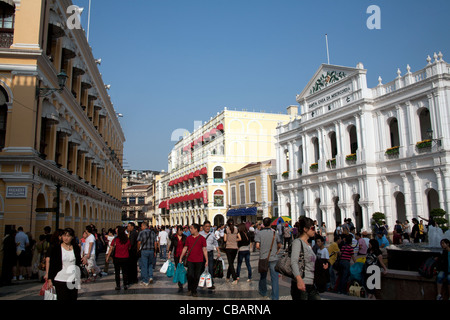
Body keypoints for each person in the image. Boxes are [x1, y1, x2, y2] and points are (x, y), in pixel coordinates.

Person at [290, 216, 325, 300]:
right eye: (312, 228)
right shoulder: (297, 242)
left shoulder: (308, 244)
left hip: (311, 283)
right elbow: (293, 262)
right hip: (302, 283)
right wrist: (299, 279)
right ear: (305, 229)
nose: (314, 230)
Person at [47, 228, 82, 300]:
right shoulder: (56, 248)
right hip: (60, 278)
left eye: (68, 236)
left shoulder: (76, 248)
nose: (66, 238)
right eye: (64, 235)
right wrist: (50, 279)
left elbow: (78, 262)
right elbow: (52, 264)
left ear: (72, 237)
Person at [179, 224, 208, 297]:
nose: (190, 230)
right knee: (190, 275)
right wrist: (181, 257)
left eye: (191, 228)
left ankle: (194, 290)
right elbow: (185, 248)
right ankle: (190, 288)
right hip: (190, 260)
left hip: (199, 260)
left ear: (196, 229)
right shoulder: (188, 238)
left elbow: (204, 249)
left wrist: (207, 260)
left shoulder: (202, 239)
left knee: (197, 276)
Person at [255, 217, 281, 300]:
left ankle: (263, 292)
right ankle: (275, 296)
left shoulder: (259, 233)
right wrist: (276, 250)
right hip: (273, 258)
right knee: (275, 278)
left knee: (263, 276)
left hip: (263, 258)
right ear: (270, 224)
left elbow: (257, 246)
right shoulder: (274, 233)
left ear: (263, 223)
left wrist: (263, 249)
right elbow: (279, 244)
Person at [106, 226, 131, 290]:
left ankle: (118, 285)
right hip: (125, 257)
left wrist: (108, 256)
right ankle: (125, 284)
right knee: (125, 272)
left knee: (117, 272)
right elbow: (129, 248)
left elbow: (111, 248)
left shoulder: (115, 240)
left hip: (117, 258)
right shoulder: (127, 240)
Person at [199, 220, 220, 290]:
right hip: (201, 253)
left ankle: (210, 283)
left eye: (209, 226)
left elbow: (216, 243)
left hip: (210, 253)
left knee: (211, 268)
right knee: (201, 268)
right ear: (203, 227)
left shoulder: (212, 234)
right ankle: (201, 283)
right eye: (206, 226)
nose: (208, 228)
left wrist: (218, 252)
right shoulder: (200, 234)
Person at [137, 221, 158, 286]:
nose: (141, 227)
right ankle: (151, 277)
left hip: (144, 250)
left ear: (144, 226)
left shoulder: (141, 233)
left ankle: (145, 280)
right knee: (150, 264)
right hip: (151, 250)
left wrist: (138, 249)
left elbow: (139, 242)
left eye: (141, 226)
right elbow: (155, 243)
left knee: (144, 265)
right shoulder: (153, 233)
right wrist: (155, 251)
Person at [168, 225, 187, 292]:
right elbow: (172, 246)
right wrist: (169, 253)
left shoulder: (185, 237)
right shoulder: (174, 237)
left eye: (181, 230)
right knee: (178, 269)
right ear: (177, 231)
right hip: (176, 255)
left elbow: (187, 246)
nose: (180, 232)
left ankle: (184, 279)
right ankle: (180, 283)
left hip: (184, 255)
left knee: (183, 268)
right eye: (179, 230)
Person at [224, 218, 241, 284]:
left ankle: (235, 278)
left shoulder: (226, 230)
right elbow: (240, 238)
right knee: (231, 262)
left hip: (228, 247)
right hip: (235, 247)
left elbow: (225, 239)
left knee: (230, 263)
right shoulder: (236, 229)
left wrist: (230, 240)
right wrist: (234, 240)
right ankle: (228, 276)